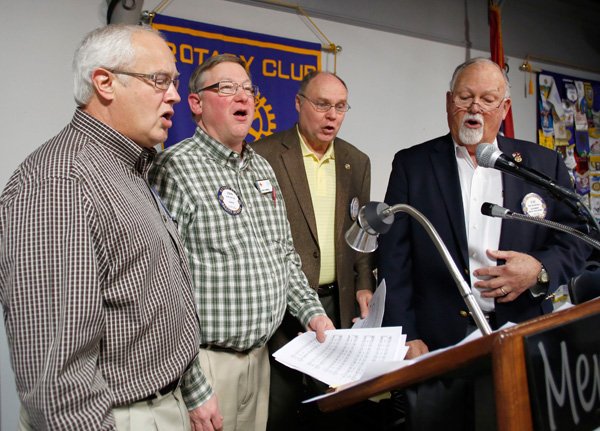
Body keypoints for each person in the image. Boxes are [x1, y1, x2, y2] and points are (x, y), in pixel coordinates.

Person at [0, 24, 202, 430]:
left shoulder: (129, 167)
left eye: (175, 82)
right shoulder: (59, 184)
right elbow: (58, 385)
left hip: (163, 401)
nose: (176, 96)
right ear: (105, 83)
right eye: (159, 80)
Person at [378, 57, 590, 430]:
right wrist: (405, 336)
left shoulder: (542, 164)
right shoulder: (412, 165)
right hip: (439, 346)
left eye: (487, 99)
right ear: (448, 102)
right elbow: (395, 261)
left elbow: (576, 237)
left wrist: (540, 270)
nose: (474, 108)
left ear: (504, 108)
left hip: (522, 340)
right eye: (465, 97)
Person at [148, 54, 334, 431]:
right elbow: (162, 288)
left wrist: (313, 313)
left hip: (260, 362)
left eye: (248, 89)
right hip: (206, 365)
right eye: (227, 88)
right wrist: (194, 385)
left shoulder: (262, 167)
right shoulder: (174, 168)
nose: (243, 98)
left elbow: (283, 254)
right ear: (197, 103)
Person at [252, 71, 376, 430]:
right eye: (322, 104)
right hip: (281, 308)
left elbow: (363, 231)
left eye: (340, 107)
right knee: (280, 410)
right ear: (298, 103)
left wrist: (365, 281)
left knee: (337, 409)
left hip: (338, 304)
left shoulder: (357, 161)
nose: (331, 115)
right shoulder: (265, 154)